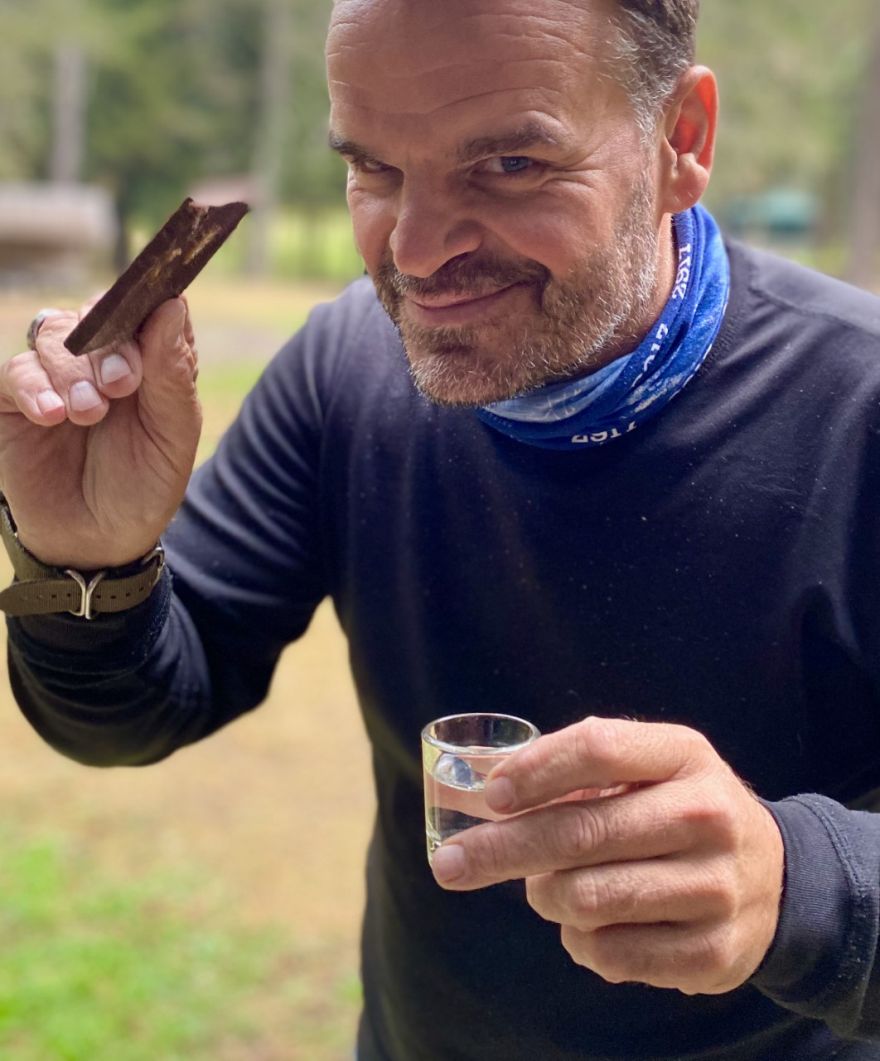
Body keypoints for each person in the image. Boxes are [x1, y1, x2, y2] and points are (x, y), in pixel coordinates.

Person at [2, 0, 880, 1056]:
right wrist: (86, 559)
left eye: (509, 164)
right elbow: (138, 713)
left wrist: (796, 883)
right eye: (373, 168)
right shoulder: (344, 369)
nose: (415, 254)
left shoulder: (857, 405)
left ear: (680, 139)